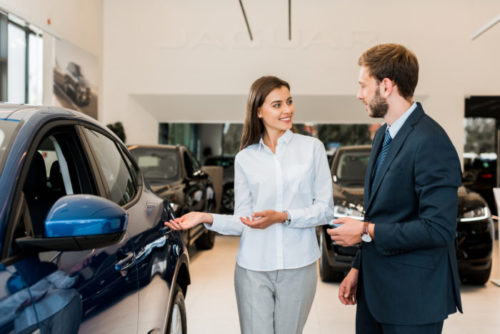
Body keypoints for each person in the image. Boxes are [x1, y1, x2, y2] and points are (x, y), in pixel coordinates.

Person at [165, 75, 334, 334]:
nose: (287, 110)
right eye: (277, 105)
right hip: (253, 269)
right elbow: (243, 221)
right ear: (258, 111)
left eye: (289, 102)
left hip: (299, 267)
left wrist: (283, 216)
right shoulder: (245, 158)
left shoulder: (312, 149)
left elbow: (324, 210)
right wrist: (204, 217)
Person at [328, 43, 462, 334]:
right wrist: (357, 269)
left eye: (364, 85)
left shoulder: (431, 141)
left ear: (386, 86)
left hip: (413, 299)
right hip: (374, 293)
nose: (359, 94)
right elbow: (383, 212)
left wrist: (365, 229)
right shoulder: (382, 138)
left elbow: (438, 228)